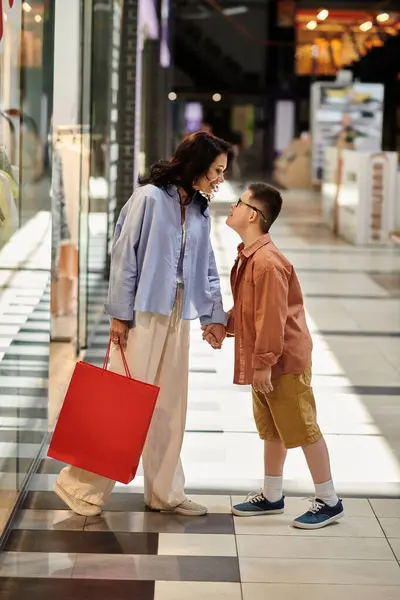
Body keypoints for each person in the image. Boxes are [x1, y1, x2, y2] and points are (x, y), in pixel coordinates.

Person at [54, 132, 230, 518]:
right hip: (143, 312)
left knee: (170, 404)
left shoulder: (200, 209)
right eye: (216, 171)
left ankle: (165, 491)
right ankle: (80, 486)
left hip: (178, 313)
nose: (220, 179)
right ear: (197, 166)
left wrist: (213, 316)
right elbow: (124, 255)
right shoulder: (149, 198)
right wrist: (120, 314)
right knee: (121, 402)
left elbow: (208, 266)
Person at [206, 182, 344, 529]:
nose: (232, 206)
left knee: (302, 426)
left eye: (238, 203)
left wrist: (264, 363)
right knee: (273, 430)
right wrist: (224, 324)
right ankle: (272, 495)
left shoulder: (267, 263)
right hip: (266, 359)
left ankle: (329, 500)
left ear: (252, 215)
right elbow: (250, 310)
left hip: (282, 362)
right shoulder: (250, 255)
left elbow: (272, 317)